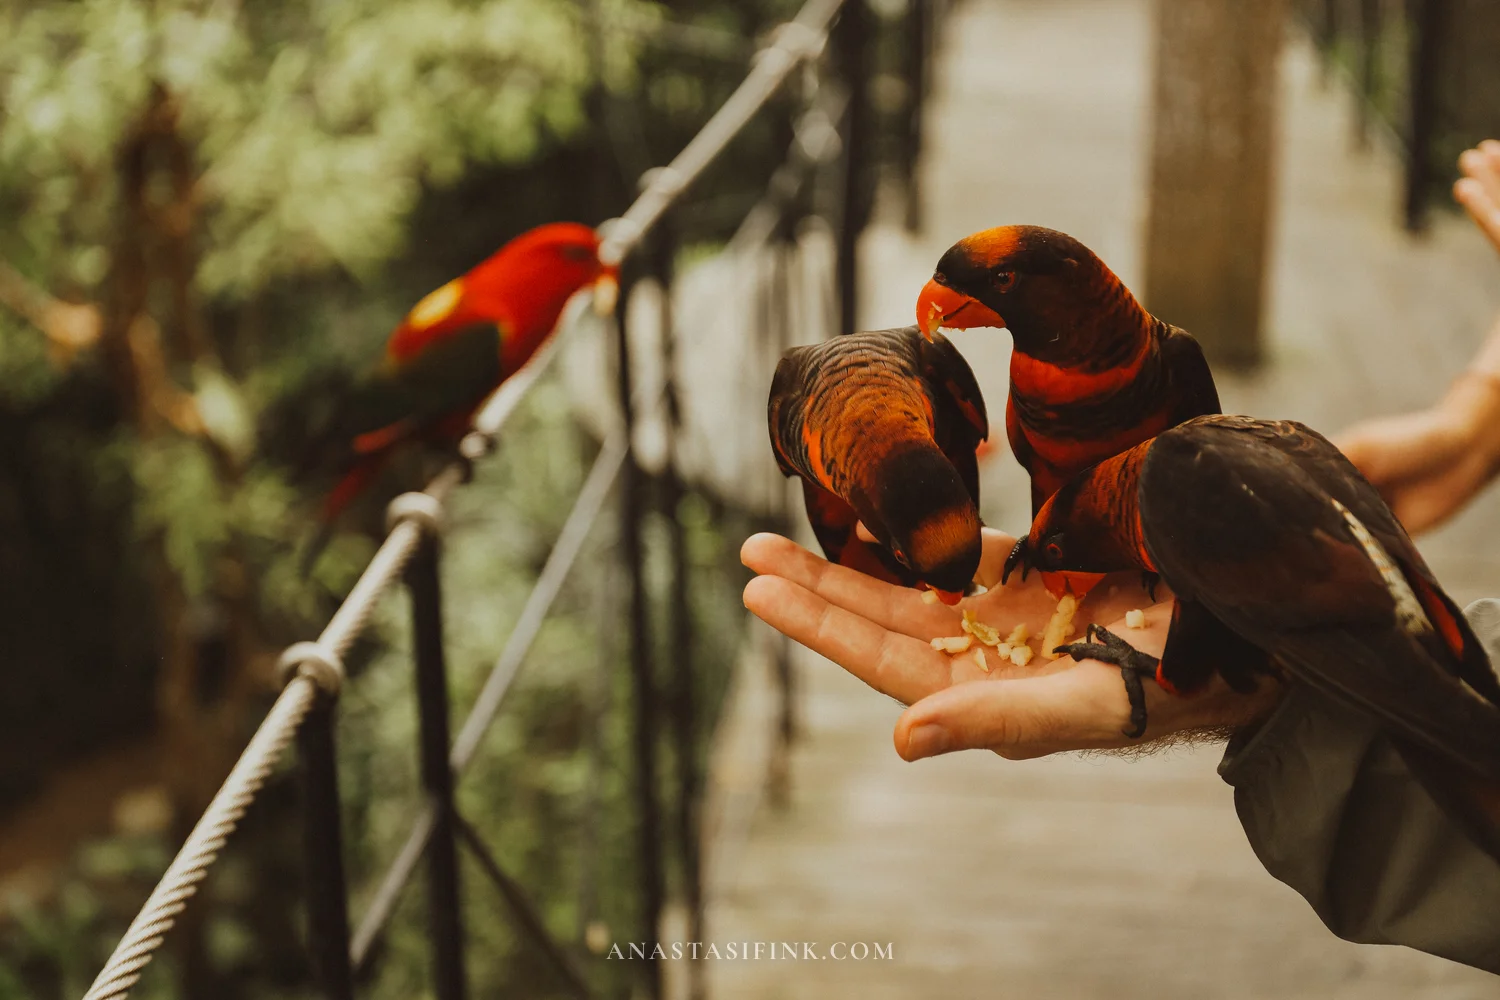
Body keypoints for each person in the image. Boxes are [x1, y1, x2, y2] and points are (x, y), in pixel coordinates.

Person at [741, 140, 1500, 973]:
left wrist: (1203, 633)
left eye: (991, 286)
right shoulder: (1016, 393)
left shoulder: (1170, 377)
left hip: (1200, 576)